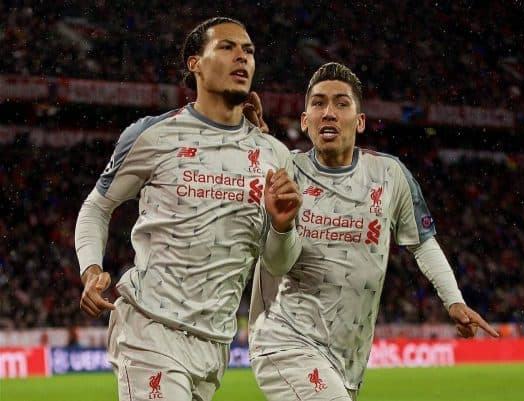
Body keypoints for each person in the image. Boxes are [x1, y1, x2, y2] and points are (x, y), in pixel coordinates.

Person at [74, 17, 302, 401]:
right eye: (227, 47)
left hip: (214, 344)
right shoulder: (152, 135)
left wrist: (283, 227)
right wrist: (91, 269)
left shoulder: (274, 155)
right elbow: (97, 207)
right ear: (194, 63)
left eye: (248, 51)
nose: (241, 57)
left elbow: (278, 265)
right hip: (149, 329)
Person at [249, 62, 499, 401]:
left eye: (341, 103)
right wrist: (280, 223)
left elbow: (422, 243)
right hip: (285, 340)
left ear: (360, 121)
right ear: (305, 121)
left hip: (347, 357)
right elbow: (276, 265)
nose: (329, 113)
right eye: (319, 103)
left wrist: (453, 300)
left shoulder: (389, 175)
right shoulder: (283, 174)